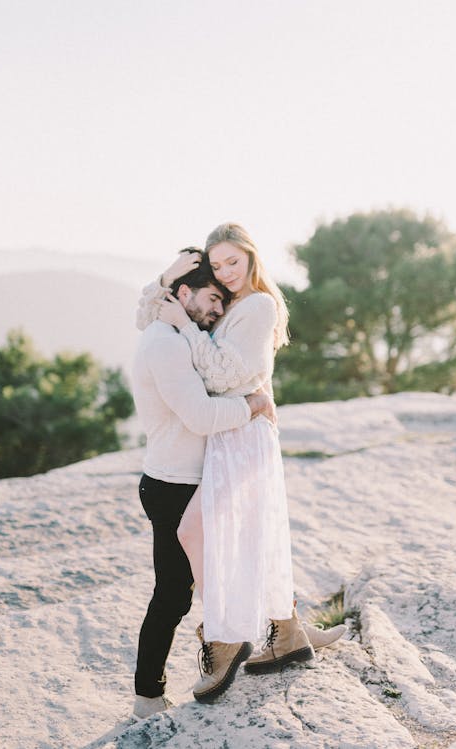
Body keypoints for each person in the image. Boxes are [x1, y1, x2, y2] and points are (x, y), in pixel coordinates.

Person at [139, 223, 346, 703]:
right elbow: (151, 318)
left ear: (252, 258)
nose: (227, 274)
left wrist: (188, 328)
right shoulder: (227, 303)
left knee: (199, 531)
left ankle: (226, 633)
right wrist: (166, 279)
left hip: (243, 430)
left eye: (234, 262)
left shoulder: (258, 305)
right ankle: (287, 631)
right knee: (252, 532)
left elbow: (225, 373)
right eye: (218, 266)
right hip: (226, 434)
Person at [131, 250, 276, 719]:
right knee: (173, 595)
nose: (218, 310)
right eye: (213, 299)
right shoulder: (164, 343)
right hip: (173, 485)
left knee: (237, 561)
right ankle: (147, 698)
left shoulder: (180, 333)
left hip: (194, 479)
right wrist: (254, 405)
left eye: (223, 303)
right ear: (185, 293)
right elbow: (201, 416)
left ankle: (276, 631)